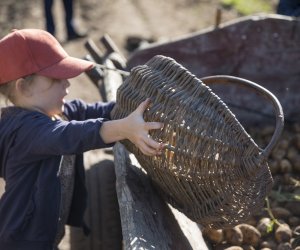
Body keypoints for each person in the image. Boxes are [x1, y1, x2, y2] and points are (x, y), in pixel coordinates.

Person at [0, 28, 164, 250]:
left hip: (43, 237)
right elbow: (71, 135)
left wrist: (138, 107)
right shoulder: (24, 131)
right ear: (23, 87)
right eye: (56, 78)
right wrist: (124, 128)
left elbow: (97, 112)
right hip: (21, 242)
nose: (67, 84)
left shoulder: (56, 112)